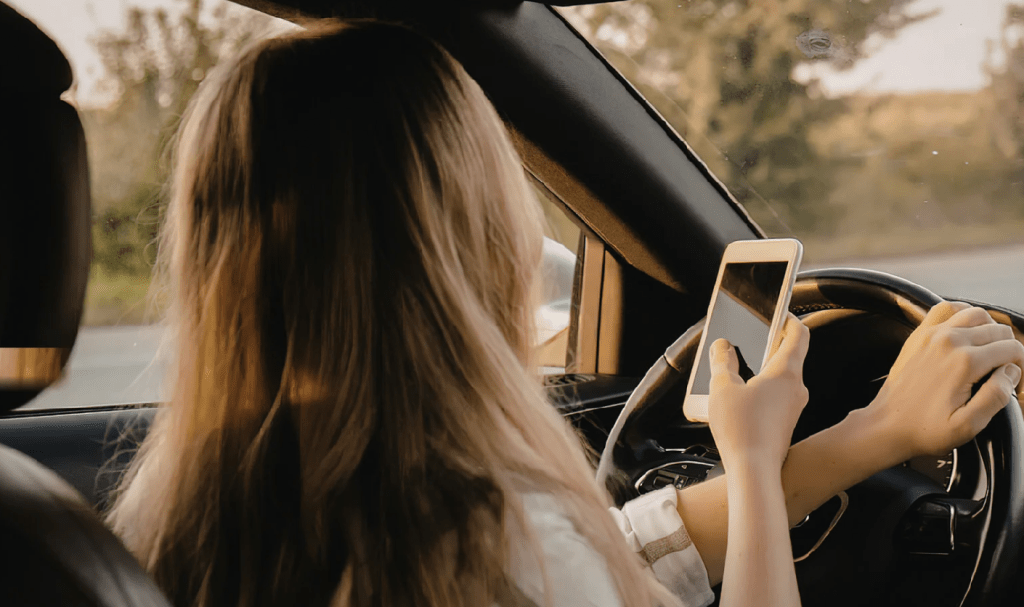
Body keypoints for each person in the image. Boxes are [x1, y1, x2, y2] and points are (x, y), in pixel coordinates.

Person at [104, 19, 1024, 607]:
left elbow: (617, 547)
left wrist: (867, 436)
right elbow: (561, 562)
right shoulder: (496, 545)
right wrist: (745, 461)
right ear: (469, 245)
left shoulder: (162, 523)